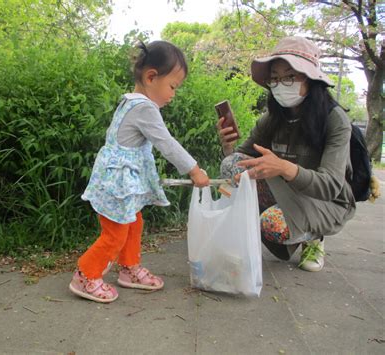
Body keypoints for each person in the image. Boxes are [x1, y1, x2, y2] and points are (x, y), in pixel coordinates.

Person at [70, 41, 210, 303]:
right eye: (172, 86)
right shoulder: (144, 107)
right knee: (115, 233)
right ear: (151, 77)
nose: (173, 94)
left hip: (123, 183)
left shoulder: (131, 102)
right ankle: (86, 275)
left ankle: (129, 268)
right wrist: (194, 170)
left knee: (134, 223)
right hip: (117, 185)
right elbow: (166, 143)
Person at [217, 36, 356, 272]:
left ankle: (314, 238)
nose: (281, 83)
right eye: (275, 78)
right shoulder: (272, 118)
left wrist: (283, 167)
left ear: (311, 79)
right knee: (232, 166)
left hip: (327, 200)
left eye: (290, 76)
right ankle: (252, 233)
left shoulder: (335, 121)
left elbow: (332, 185)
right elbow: (240, 160)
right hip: (285, 190)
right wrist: (228, 146)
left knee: (273, 224)